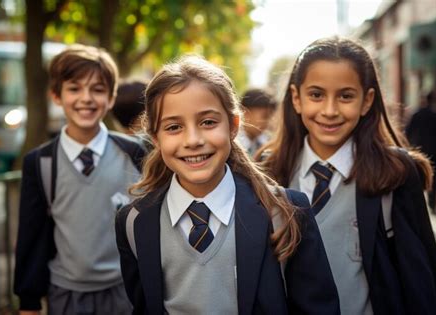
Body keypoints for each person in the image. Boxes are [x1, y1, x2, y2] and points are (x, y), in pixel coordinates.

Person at [115, 55, 339, 314]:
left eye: (208, 122)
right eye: (174, 127)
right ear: (155, 137)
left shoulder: (285, 212)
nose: (193, 140)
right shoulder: (133, 222)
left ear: (233, 126)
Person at [259, 37, 436, 315]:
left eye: (346, 96)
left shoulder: (394, 174)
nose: (330, 111)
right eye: (316, 95)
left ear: (367, 101)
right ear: (296, 98)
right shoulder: (267, 174)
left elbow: (422, 273)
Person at [14, 44, 146, 315]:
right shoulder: (40, 162)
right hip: (65, 295)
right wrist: (28, 301)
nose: (86, 98)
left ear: (110, 99)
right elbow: (32, 234)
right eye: (74, 88)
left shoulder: (133, 153)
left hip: (124, 292)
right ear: (56, 95)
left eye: (97, 89)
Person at [405, 90, 436, 210]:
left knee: (418, 177)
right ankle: (433, 203)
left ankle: (420, 203)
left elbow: (408, 133)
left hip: (419, 150)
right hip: (434, 150)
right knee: (433, 177)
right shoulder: (435, 115)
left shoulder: (416, 114)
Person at [236, 88, 277, 156]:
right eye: (265, 116)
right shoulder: (232, 144)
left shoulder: (267, 145)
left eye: (270, 117)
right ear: (245, 112)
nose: (268, 122)